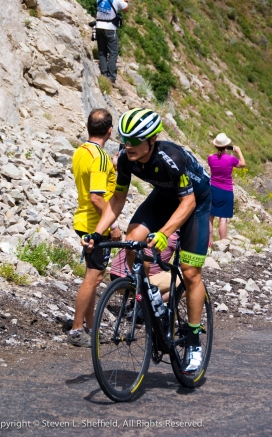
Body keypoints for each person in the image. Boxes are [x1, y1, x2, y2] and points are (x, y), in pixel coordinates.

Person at [83, 108, 212, 373]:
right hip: (164, 199)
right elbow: (117, 199)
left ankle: (194, 341)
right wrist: (98, 233)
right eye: (124, 139)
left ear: (151, 140)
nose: (127, 145)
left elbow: (187, 202)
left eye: (134, 140)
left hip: (195, 204)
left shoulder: (171, 158)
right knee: (133, 240)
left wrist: (165, 233)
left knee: (189, 273)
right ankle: (148, 293)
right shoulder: (126, 157)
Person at [68, 108, 122, 347]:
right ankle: (77, 330)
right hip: (95, 223)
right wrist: (114, 224)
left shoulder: (82, 151)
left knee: (93, 275)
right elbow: (97, 197)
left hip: (83, 219)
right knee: (94, 276)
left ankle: (90, 327)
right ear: (110, 131)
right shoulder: (100, 158)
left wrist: (113, 167)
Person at [110, 232, 180, 302]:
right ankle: (143, 306)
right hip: (134, 281)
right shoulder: (175, 236)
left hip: (115, 276)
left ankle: (142, 303)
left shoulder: (151, 226)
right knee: (186, 284)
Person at [207, 133, 246, 246]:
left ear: (216, 146)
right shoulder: (231, 159)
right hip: (226, 191)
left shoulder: (210, 158)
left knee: (210, 216)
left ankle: (209, 241)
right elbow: (243, 164)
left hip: (213, 189)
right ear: (226, 146)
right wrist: (238, 152)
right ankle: (223, 243)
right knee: (223, 218)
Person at [96, 0, 129, 84]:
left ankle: (103, 73)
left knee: (102, 52)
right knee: (113, 53)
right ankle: (111, 77)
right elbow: (126, 9)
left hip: (98, 26)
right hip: (110, 28)